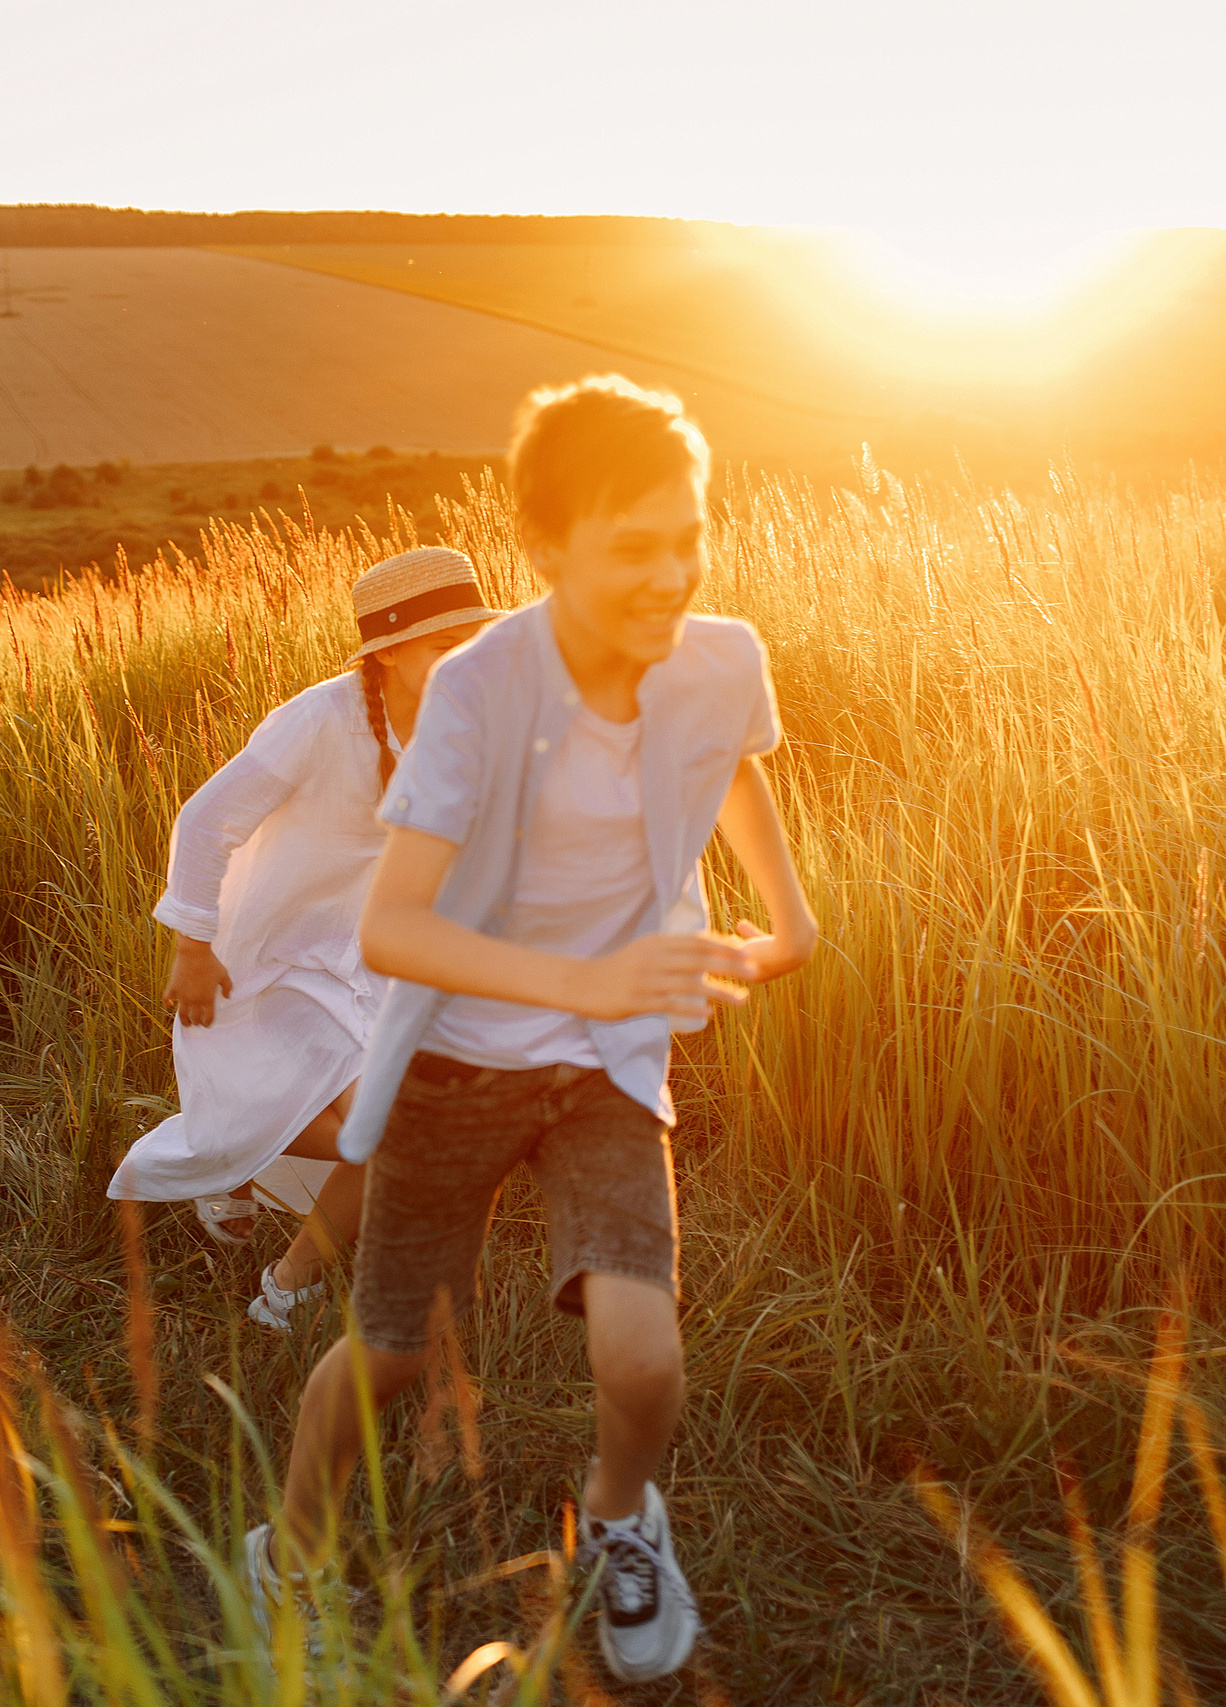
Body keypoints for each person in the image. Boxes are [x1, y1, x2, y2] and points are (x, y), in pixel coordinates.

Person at [241, 378, 819, 1684]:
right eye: (634, 547)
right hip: (461, 1056)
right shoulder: (478, 694)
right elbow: (393, 926)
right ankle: (289, 1546)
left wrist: (789, 913)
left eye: (689, 538)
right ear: (546, 548)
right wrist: (589, 983)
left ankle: (622, 1514)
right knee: (389, 1351)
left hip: (605, 1070)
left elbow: (732, 754)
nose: (672, 575)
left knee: (643, 1346)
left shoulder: (720, 655)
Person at [110, 548, 499, 1331]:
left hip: (368, 964)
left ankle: (280, 1272)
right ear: (387, 650)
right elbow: (207, 819)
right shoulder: (321, 720)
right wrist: (192, 943)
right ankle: (256, 1209)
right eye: (442, 646)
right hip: (271, 961)